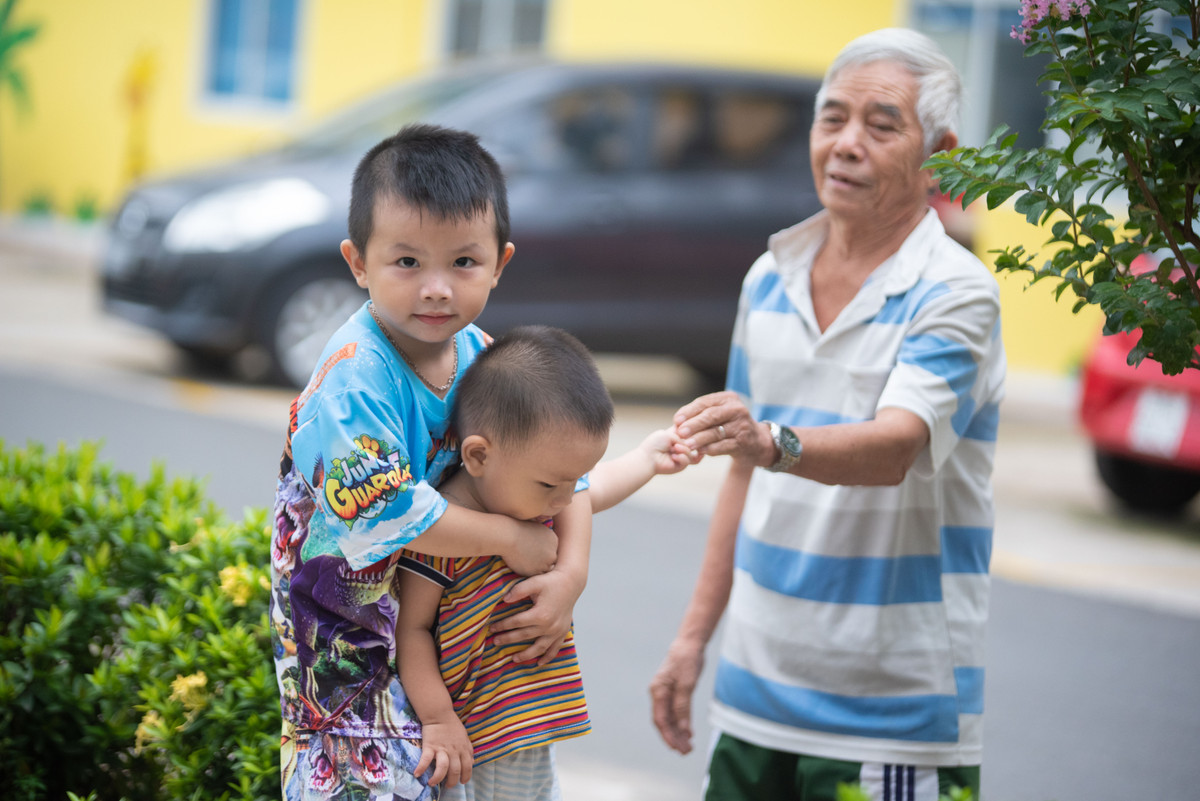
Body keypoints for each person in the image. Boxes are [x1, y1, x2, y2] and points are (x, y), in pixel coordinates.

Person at [648, 28, 1007, 801]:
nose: (846, 143)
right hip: (753, 692)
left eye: (882, 124)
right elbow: (742, 473)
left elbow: (895, 447)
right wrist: (691, 639)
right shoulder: (767, 278)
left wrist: (770, 440)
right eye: (832, 117)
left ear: (939, 155)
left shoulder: (956, 291)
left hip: (890, 715)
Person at [269, 124, 589, 801]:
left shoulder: (486, 357)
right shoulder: (354, 379)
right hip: (349, 654)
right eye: (408, 262)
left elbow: (567, 470)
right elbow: (390, 511)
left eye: (463, 262)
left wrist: (571, 573)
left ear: (500, 263)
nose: (437, 289)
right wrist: (510, 538)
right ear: (359, 262)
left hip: (451, 644)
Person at [395, 324, 696, 801]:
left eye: (573, 480)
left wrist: (648, 458)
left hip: (532, 728)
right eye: (552, 484)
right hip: (475, 737)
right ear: (478, 456)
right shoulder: (445, 532)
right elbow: (410, 631)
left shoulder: (533, 498)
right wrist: (437, 719)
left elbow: (595, 487)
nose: (565, 499)